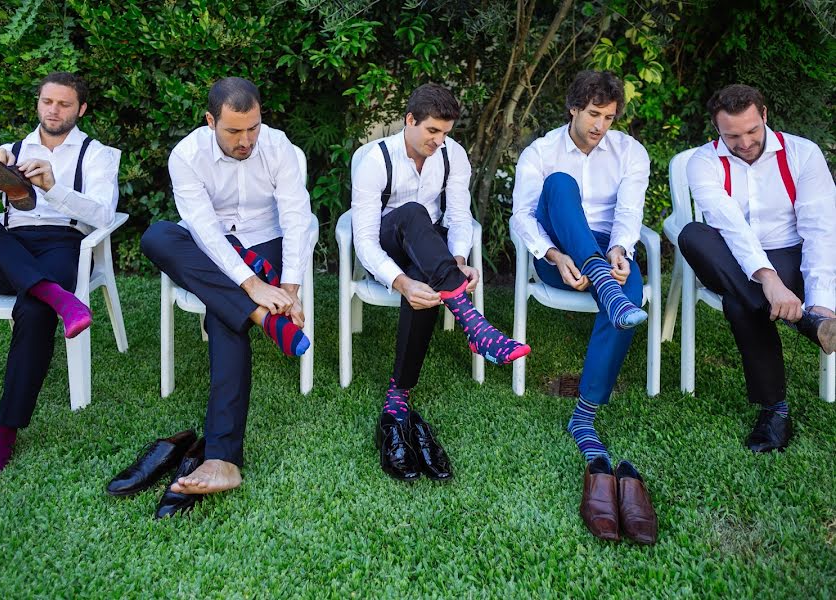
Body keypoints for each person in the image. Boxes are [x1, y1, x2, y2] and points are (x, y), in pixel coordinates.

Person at [0, 72, 120, 492]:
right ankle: (60, 298)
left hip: (61, 245)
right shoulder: (11, 151)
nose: (53, 110)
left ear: (81, 109)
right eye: (47, 102)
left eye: (64, 104)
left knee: (35, 311)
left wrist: (53, 188)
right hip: (7, 249)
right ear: (37, 103)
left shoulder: (96, 155)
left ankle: (2, 436)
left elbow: (104, 216)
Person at [138, 77, 312, 517]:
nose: (246, 140)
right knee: (158, 235)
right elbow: (205, 231)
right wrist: (252, 289)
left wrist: (289, 288)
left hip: (265, 241)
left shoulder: (279, 147)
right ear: (210, 120)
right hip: (213, 246)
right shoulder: (188, 155)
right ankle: (257, 314)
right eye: (234, 131)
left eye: (252, 127)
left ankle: (224, 458)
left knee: (221, 312)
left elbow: (297, 217)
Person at [352, 83, 529, 483]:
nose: (440, 141)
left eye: (446, 132)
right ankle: (474, 324)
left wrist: (460, 259)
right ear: (409, 120)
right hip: (389, 241)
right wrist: (399, 283)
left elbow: (459, 217)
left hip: (429, 252)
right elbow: (362, 239)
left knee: (426, 270)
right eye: (433, 131)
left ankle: (399, 397)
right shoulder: (375, 161)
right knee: (414, 213)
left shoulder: (453, 156)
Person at [510, 70, 656, 544]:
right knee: (559, 185)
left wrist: (620, 251)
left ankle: (584, 413)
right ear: (573, 108)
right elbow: (522, 218)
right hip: (560, 255)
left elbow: (629, 213)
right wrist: (553, 254)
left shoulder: (630, 153)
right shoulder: (542, 152)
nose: (600, 126)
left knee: (626, 297)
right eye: (593, 115)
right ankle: (603, 283)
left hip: (606, 253)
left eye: (609, 118)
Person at [679, 84, 836, 453]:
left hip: (791, 252)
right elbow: (729, 224)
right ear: (716, 129)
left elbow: (820, 228)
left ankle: (774, 412)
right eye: (732, 135)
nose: (745, 142)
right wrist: (768, 280)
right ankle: (806, 327)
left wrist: (821, 301)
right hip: (732, 255)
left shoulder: (803, 154)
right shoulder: (702, 162)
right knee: (692, 234)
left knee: (739, 303)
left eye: (752, 130)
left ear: (764, 116)